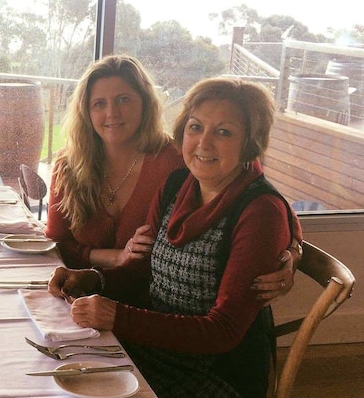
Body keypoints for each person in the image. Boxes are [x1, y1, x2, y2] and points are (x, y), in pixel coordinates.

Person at [49, 77, 297, 398]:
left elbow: (222, 332)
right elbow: (140, 273)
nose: (204, 143)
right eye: (196, 127)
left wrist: (117, 316)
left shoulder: (259, 212)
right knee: (57, 380)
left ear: (250, 143)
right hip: (155, 350)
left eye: (224, 132)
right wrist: (92, 279)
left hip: (214, 383)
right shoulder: (178, 184)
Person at [45, 54, 298, 302]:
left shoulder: (180, 158)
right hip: (84, 293)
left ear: (145, 103)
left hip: (149, 306)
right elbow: (56, 243)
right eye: (99, 103)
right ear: (85, 112)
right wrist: (114, 257)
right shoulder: (68, 165)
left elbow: (256, 189)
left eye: (123, 99)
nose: (112, 113)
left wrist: (294, 251)